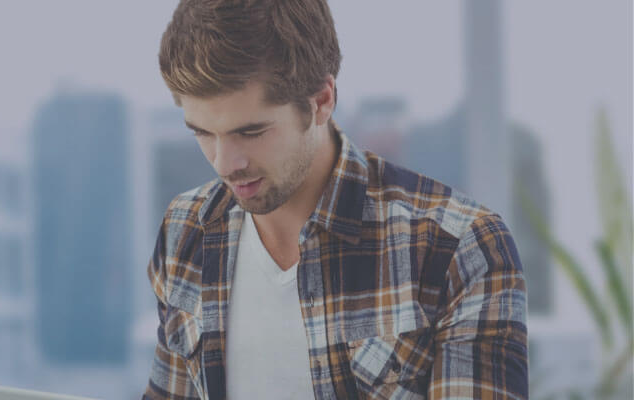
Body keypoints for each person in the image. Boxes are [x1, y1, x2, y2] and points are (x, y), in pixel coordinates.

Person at [144, 1, 528, 398]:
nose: (225, 164)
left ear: (322, 101)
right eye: (203, 133)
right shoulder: (184, 228)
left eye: (252, 131)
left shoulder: (458, 246)